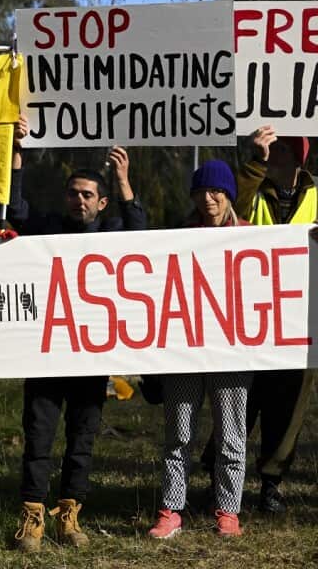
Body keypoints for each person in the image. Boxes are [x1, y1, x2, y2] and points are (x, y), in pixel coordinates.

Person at [8, 115, 148, 552]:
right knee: (39, 436)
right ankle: (32, 517)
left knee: (82, 438)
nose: (79, 200)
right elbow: (15, 213)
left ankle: (70, 515)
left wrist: (123, 179)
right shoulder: (49, 226)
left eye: (88, 194)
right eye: (73, 193)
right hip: (48, 351)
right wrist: (17, 156)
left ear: (102, 203)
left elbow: (141, 235)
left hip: (90, 354)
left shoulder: (113, 232)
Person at [148, 160, 252, 539]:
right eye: (201, 192)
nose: (208, 199)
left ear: (229, 195)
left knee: (231, 435)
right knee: (179, 433)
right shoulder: (177, 238)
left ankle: (228, 511)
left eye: (216, 191)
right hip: (184, 350)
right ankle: (171, 510)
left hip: (233, 350)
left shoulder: (251, 237)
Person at [229, 127, 316, 513]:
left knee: (289, 403)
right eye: (272, 149)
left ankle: (271, 482)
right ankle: (223, 472)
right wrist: (254, 162)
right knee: (239, 396)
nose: (277, 155)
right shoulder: (253, 186)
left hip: (300, 320)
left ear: (301, 158)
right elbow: (232, 213)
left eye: (284, 149)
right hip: (251, 314)